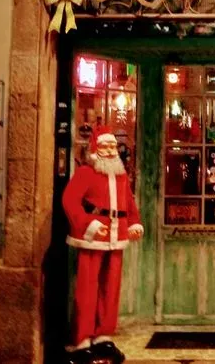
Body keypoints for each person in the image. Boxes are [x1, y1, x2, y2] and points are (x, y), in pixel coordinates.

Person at [62, 125, 144, 364]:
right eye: (104, 146)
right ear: (95, 148)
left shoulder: (120, 175)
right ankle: (82, 339)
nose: (109, 151)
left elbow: (129, 202)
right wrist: (87, 223)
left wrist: (134, 223)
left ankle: (103, 336)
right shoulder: (86, 173)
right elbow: (70, 201)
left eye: (112, 146)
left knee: (110, 290)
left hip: (117, 236)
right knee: (87, 289)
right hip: (93, 236)